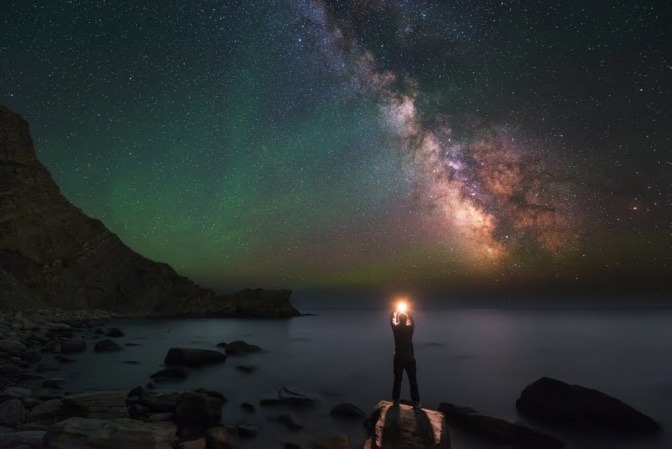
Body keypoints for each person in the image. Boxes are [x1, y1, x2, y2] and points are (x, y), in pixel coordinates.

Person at [390, 309, 420, 408]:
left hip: (398, 358)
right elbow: (412, 321)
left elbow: (391, 320)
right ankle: (416, 402)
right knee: (413, 381)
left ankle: (396, 400)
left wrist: (395, 311)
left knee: (397, 380)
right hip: (410, 359)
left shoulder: (396, 329)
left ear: (399, 319)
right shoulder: (410, 329)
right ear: (406, 319)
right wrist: (408, 312)